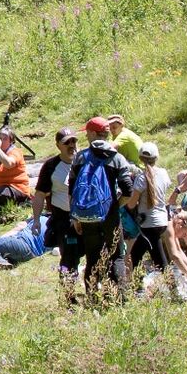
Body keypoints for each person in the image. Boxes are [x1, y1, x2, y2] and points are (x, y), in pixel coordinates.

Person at [67, 120, 138, 294]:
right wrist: (115, 206)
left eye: (87, 132)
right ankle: (120, 298)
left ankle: (92, 296)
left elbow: (72, 190)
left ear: (93, 133)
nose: (86, 135)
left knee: (92, 256)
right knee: (116, 257)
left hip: (86, 215)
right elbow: (128, 191)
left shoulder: (80, 157)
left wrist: (75, 217)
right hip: (110, 216)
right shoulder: (116, 157)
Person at [31, 128, 80, 284]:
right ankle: (68, 292)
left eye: (73, 141)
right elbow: (40, 195)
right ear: (58, 145)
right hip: (64, 219)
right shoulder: (51, 166)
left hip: (87, 218)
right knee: (69, 258)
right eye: (67, 142)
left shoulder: (84, 161)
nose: (71, 145)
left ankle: (94, 291)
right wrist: (36, 220)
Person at [124, 141, 173, 277]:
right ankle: (133, 283)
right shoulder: (164, 173)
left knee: (159, 261)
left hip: (148, 224)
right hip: (162, 221)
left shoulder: (141, 178)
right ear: (156, 157)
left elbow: (131, 204)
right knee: (136, 255)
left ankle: (172, 286)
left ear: (140, 159)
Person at [0, 127, 33, 205]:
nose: (1, 141)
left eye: (5, 139)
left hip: (16, 188)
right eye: (0, 138)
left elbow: (8, 164)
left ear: (11, 141)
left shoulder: (16, 152)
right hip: (0, 186)